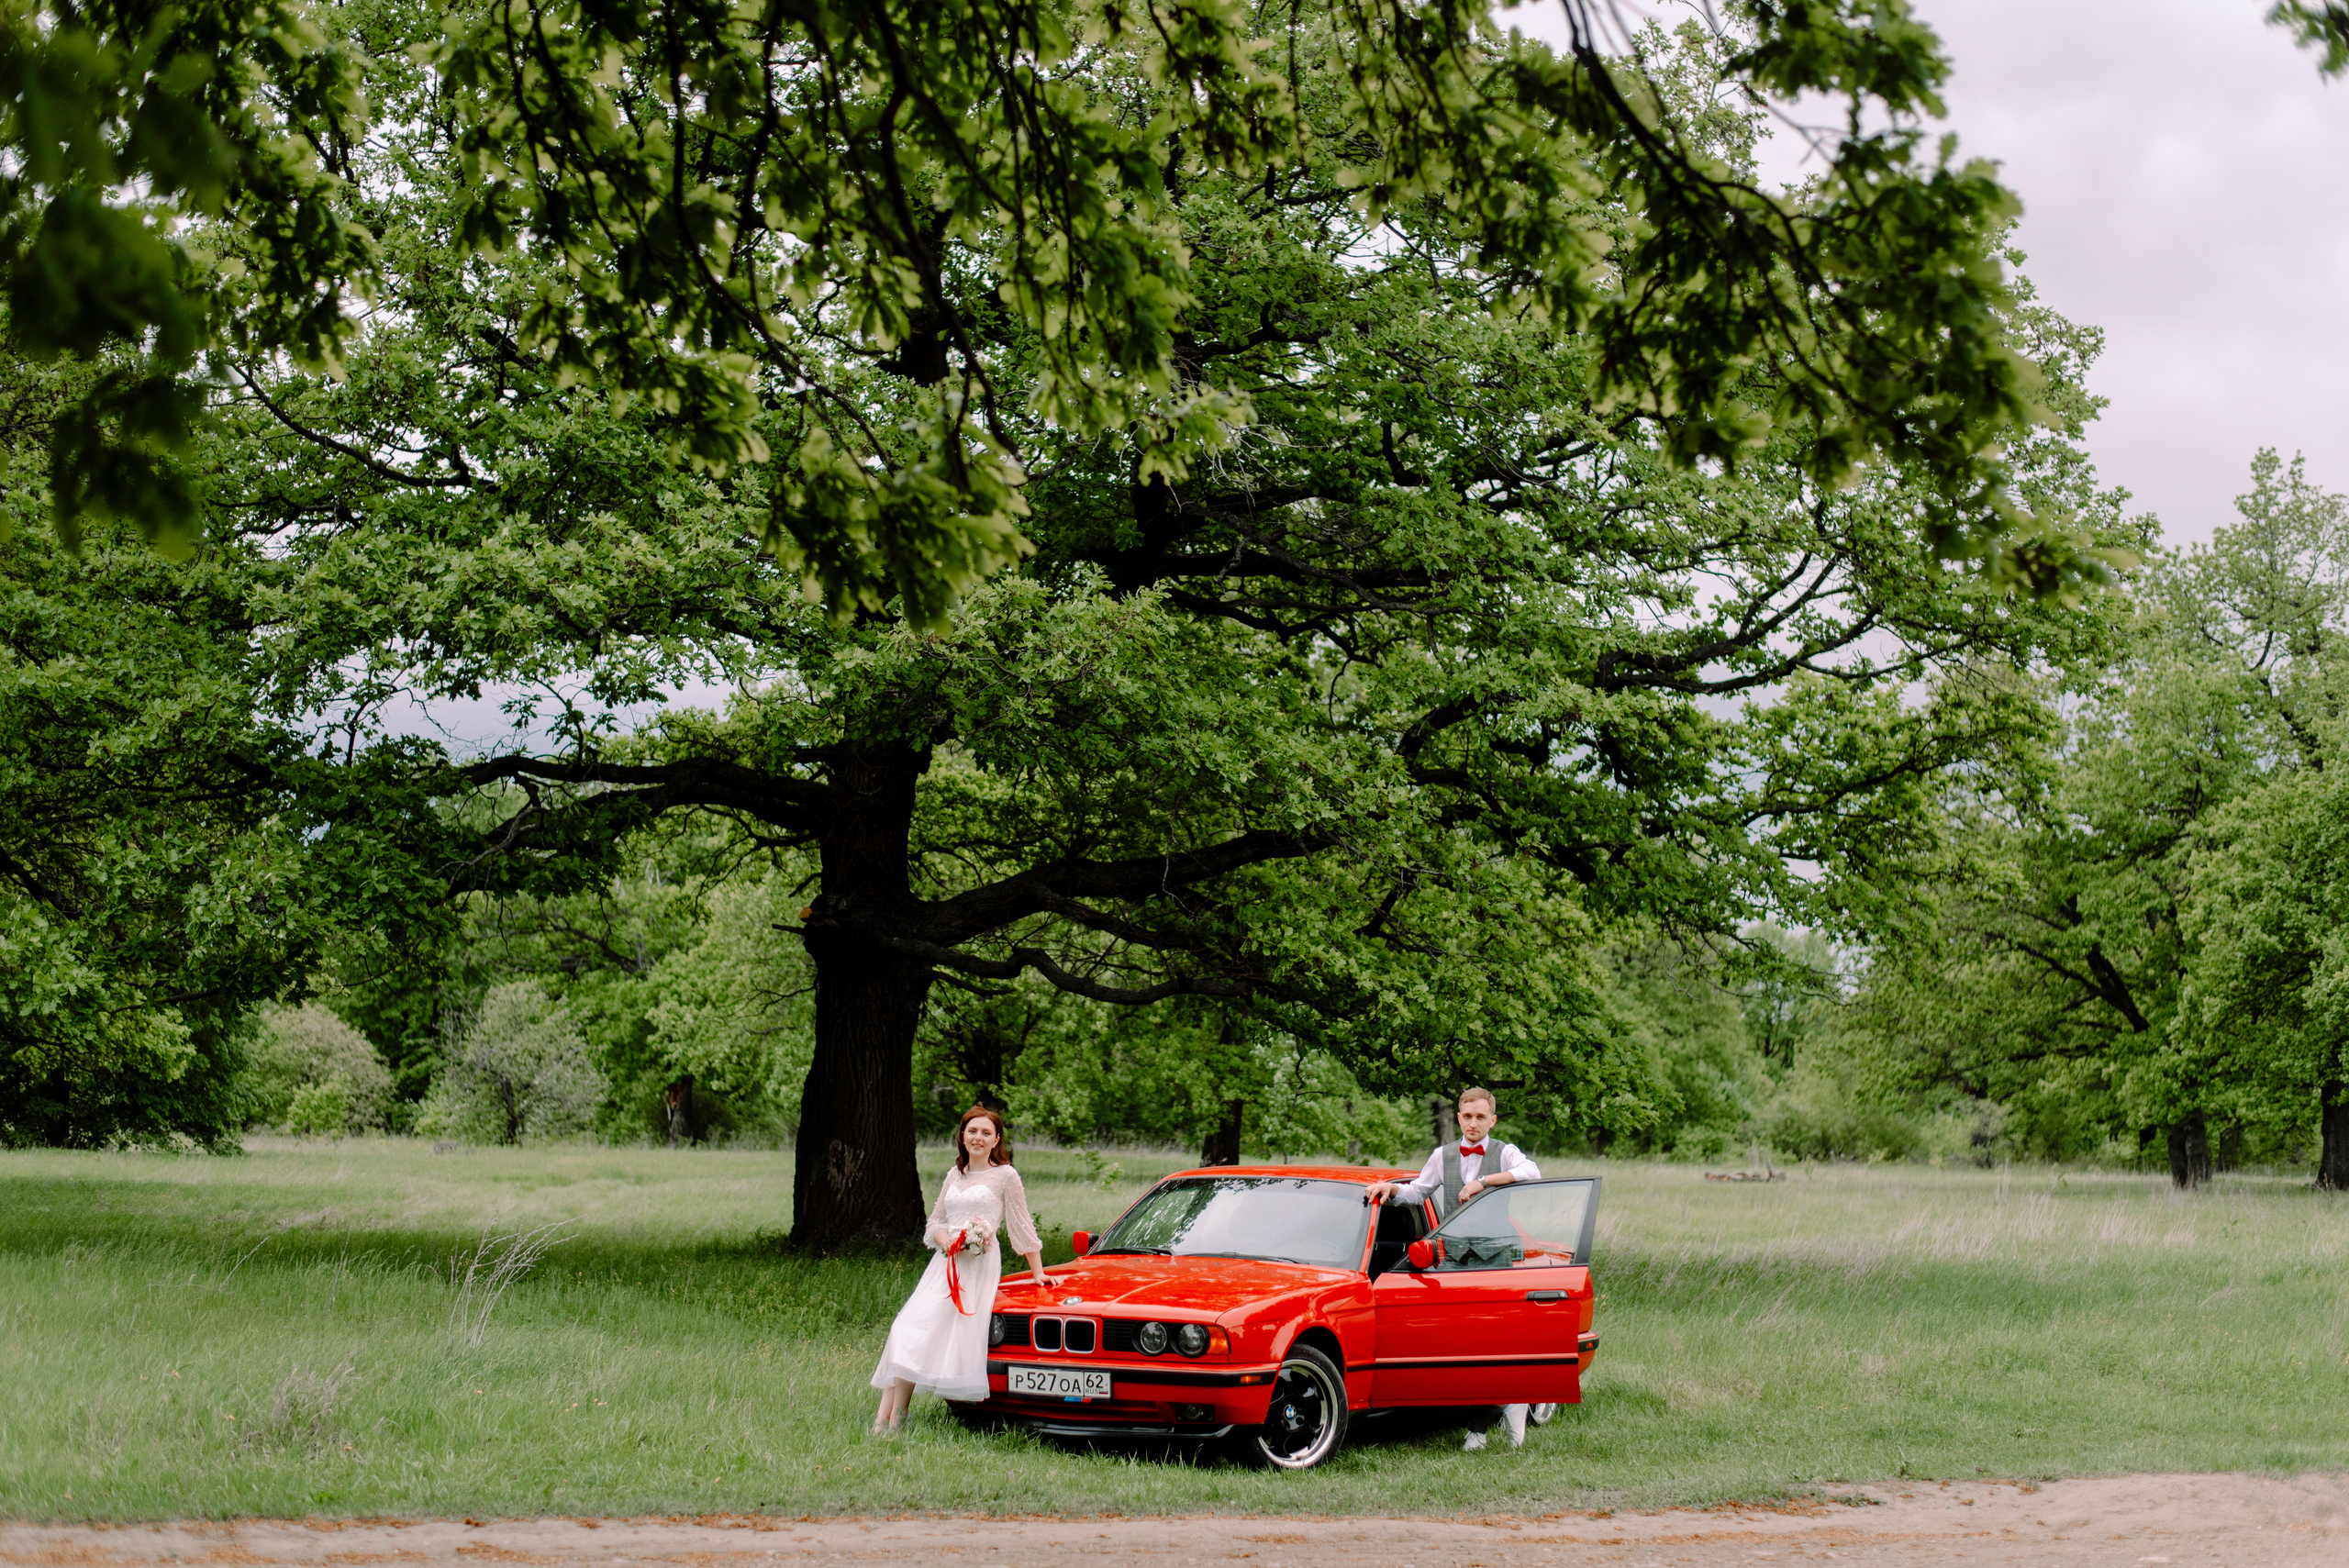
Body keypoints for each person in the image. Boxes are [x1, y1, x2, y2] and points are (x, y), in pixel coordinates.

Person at [1364, 1085, 1541, 1451]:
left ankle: (1503, 1411)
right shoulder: (1442, 1155)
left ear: (1492, 1120)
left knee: (1498, 1341)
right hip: (1455, 1258)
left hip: (1496, 1257)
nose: (1473, 1123)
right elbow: (1418, 1192)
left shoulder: (1504, 1152)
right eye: (1467, 1116)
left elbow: (1532, 1173)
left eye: (1480, 1117)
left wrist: (1483, 1181)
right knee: (1467, 1343)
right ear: (1458, 1117)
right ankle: (1484, 1421)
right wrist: (1390, 1190)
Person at [868, 1105, 1047, 1435]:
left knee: (923, 1335)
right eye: (972, 1131)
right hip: (945, 1264)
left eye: (986, 1133)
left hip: (977, 1268)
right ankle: (890, 1417)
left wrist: (1037, 1272)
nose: (978, 1137)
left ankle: (890, 1422)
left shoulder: (1006, 1175)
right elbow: (935, 1222)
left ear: (996, 1140)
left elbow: (1022, 1226)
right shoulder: (956, 1175)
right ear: (962, 1136)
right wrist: (946, 1240)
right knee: (905, 1329)